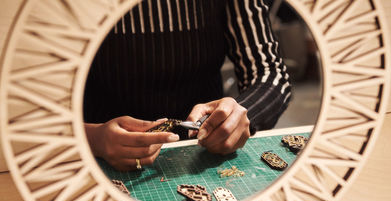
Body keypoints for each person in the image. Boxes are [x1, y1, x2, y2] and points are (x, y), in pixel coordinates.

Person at [84, 0, 291, 171]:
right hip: (97, 158)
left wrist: (237, 116)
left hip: (204, 155)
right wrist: (93, 138)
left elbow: (270, 74)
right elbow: (50, 108)